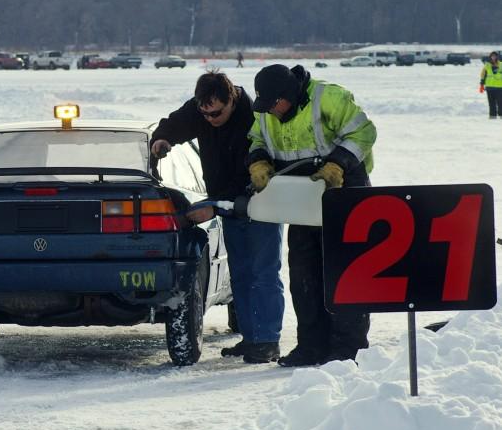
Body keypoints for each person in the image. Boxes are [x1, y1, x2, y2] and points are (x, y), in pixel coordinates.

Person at [150, 72, 285, 364]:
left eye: (217, 113)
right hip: (227, 206)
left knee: (263, 273)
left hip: (260, 203)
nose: (210, 118)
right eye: (205, 113)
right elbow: (176, 123)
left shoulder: (254, 117)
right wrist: (162, 138)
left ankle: (267, 341)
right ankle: (251, 339)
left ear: (232, 100)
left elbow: (253, 176)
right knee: (241, 274)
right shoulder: (202, 109)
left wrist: (217, 206)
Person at [248, 64, 376, 367]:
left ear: (289, 95)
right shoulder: (267, 110)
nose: (272, 112)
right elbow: (256, 139)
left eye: (275, 105)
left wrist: (338, 163)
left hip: (344, 189)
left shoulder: (328, 97)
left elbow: (364, 132)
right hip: (302, 196)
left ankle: (348, 349)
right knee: (304, 274)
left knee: (344, 272)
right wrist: (258, 161)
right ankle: (312, 345)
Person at [480, 51, 502, 118]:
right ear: (490, 57)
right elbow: (483, 75)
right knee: (491, 103)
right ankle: (492, 116)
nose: (494, 57)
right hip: (490, 87)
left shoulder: (501, 64)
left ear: (497, 57)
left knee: (500, 103)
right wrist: (481, 85)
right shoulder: (487, 65)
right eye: (492, 56)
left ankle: (501, 115)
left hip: (499, 87)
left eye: (495, 56)